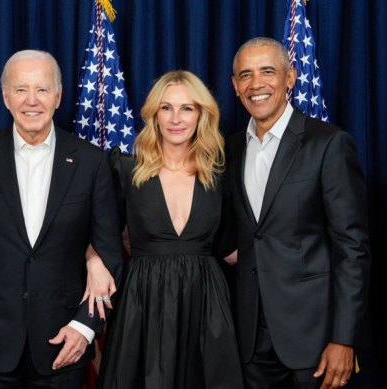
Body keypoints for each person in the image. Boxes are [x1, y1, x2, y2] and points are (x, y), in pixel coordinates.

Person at [0, 49, 124, 388]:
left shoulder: (91, 162)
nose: (32, 100)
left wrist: (84, 328)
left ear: (58, 95)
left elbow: (110, 253)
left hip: (63, 344)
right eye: (21, 89)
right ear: (6, 96)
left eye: (42, 89)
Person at [227, 37, 371, 388]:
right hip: (249, 339)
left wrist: (343, 338)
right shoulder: (228, 149)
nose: (256, 84)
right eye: (246, 75)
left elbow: (353, 249)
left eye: (267, 72)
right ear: (235, 86)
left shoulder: (328, 144)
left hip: (316, 340)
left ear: (289, 78)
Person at [93, 70, 243, 388]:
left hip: (205, 305)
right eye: (166, 108)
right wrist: (93, 259)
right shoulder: (125, 169)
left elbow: (233, 249)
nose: (176, 118)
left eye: (187, 108)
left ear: (202, 114)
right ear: (154, 114)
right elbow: (97, 232)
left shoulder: (221, 173)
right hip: (141, 305)